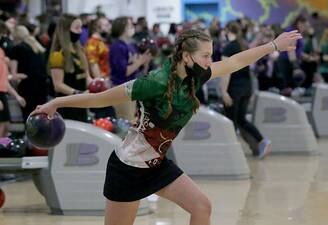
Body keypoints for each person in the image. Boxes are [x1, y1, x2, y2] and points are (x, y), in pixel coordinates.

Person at [32, 28, 301, 225]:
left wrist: (273, 46)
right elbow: (98, 97)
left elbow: (235, 62)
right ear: (186, 57)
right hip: (127, 170)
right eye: (205, 56)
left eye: (211, 55)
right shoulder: (154, 83)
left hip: (157, 166)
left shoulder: (195, 77)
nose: (210, 61)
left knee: (201, 207)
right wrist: (56, 102)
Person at [221, 21, 272, 158]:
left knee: (230, 122)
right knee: (241, 119)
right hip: (246, 87)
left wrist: (224, 91)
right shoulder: (243, 45)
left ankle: (231, 154)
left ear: (227, 31)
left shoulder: (228, 48)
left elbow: (226, 71)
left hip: (234, 88)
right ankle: (262, 141)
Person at [48, 14, 92, 122]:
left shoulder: (79, 50)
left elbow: (87, 77)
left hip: (81, 104)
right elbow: (58, 85)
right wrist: (78, 93)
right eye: (76, 28)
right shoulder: (57, 55)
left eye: (81, 27)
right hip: (66, 106)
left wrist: (96, 85)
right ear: (66, 30)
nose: (80, 31)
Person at [9, 25, 48, 121]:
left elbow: (14, 74)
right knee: (41, 117)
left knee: (29, 117)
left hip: (27, 87)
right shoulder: (38, 47)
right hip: (42, 85)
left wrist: (18, 75)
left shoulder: (16, 48)